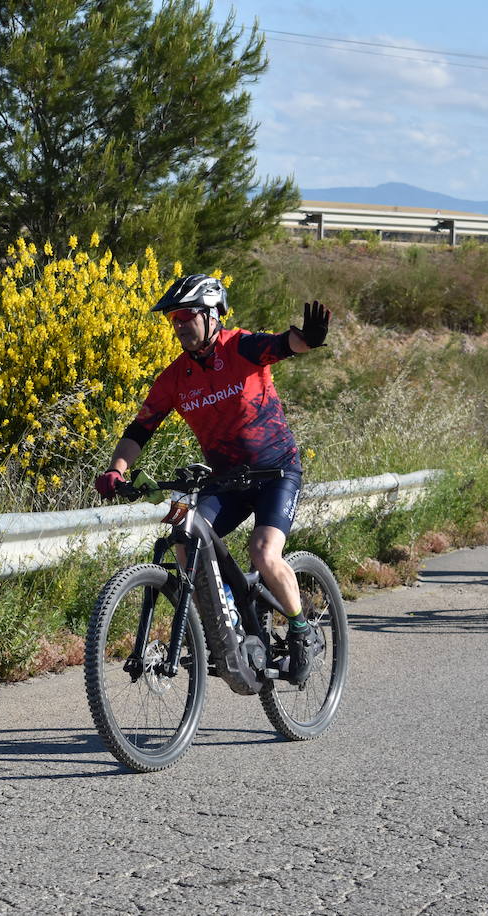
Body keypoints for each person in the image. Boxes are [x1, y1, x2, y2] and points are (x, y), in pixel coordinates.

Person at [93, 273, 330, 683]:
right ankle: (228, 627)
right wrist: (117, 469)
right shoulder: (175, 377)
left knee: (263, 552)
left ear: (211, 314)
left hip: (277, 472)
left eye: (187, 315)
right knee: (186, 542)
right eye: (174, 319)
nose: (180, 324)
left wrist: (307, 339)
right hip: (227, 481)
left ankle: (300, 632)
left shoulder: (240, 347)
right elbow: (140, 429)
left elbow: (283, 344)